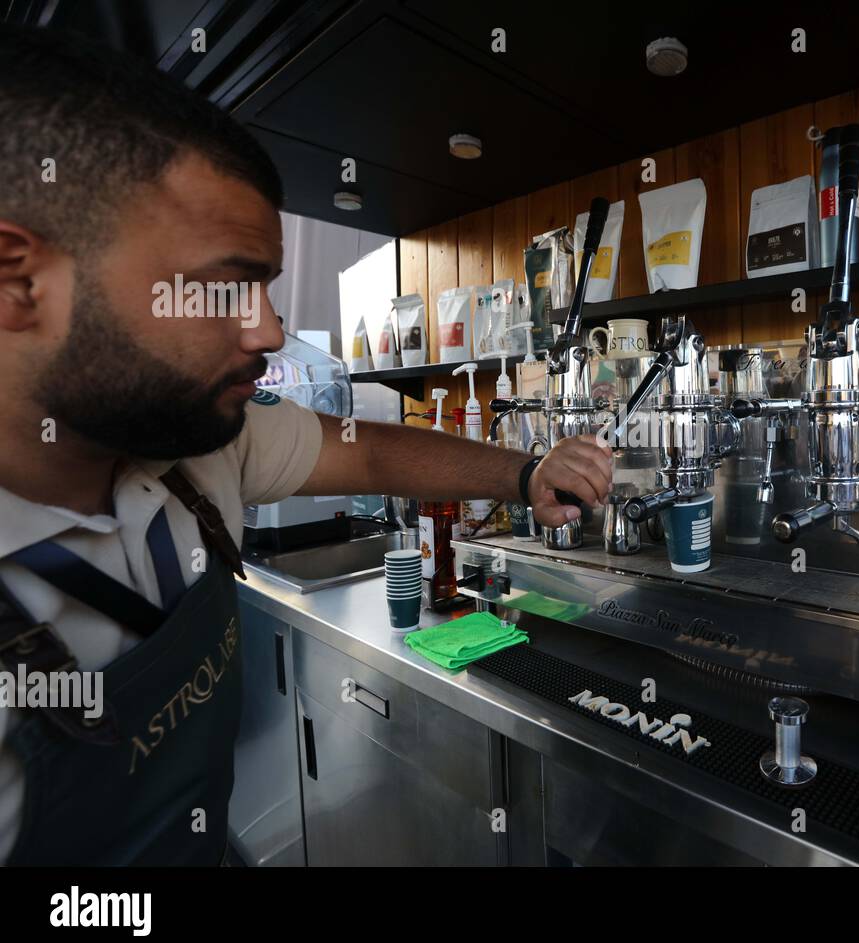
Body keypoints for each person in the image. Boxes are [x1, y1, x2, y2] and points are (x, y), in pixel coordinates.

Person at [0, 24, 612, 865]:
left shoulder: (196, 450)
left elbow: (364, 451)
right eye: (221, 287)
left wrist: (526, 470)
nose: (268, 331)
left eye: (267, 289)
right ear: (19, 282)